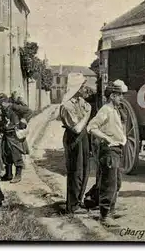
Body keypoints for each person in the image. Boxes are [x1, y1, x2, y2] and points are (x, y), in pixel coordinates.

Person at [87, 80, 128, 227]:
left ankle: (110, 210)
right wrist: (106, 138)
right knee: (109, 183)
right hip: (109, 151)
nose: (121, 98)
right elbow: (91, 127)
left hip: (117, 149)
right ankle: (104, 216)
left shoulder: (115, 110)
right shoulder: (105, 110)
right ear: (112, 96)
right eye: (119, 95)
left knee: (117, 182)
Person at [59, 74, 92, 215]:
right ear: (76, 87)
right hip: (74, 139)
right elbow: (77, 128)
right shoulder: (66, 106)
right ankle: (72, 206)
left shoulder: (80, 101)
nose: (85, 88)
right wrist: (87, 114)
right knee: (75, 171)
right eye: (82, 86)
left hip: (83, 138)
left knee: (85, 170)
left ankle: (78, 200)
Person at [0, 93, 25, 183]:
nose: (0, 106)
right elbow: (4, 122)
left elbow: (13, 124)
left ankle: (18, 175)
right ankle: (8, 174)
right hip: (7, 135)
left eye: (0, 104)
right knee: (6, 154)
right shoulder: (5, 110)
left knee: (16, 155)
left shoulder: (13, 110)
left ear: (5, 102)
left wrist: (22, 122)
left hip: (14, 136)